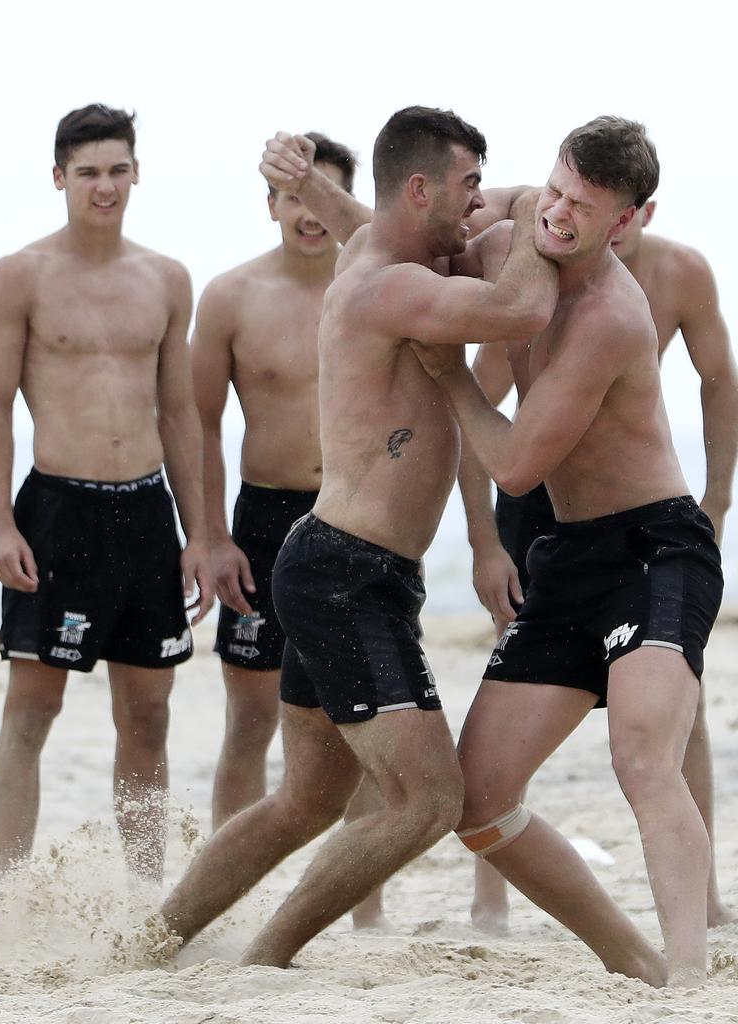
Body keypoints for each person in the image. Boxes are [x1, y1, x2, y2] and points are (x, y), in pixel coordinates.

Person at [155, 106, 582, 971]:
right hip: (348, 574)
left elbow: (384, 220)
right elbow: (524, 308)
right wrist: (544, 203)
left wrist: (506, 202)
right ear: (419, 189)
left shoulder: (380, 254)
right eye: (466, 188)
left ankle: (157, 935)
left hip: (341, 564)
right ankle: (267, 958)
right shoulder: (391, 284)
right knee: (428, 801)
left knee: (308, 799)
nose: (477, 206)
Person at [412, 116, 723, 987]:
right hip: (570, 558)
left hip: (657, 549)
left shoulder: (612, 317)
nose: (556, 215)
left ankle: (693, 983)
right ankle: (629, 956)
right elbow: (406, 237)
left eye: (582, 208)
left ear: (629, 219)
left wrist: (449, 374)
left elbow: (513, 465)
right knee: (477, 799)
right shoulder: (516, 235)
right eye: (553, 190)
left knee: (642, 757)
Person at [461, 197, 738, 934]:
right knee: (487, 761)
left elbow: (718, 379)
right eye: (565, 195)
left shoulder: (674, 275)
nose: (575, 215)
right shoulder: (531, 259)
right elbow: (478, 405)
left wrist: (717, 495)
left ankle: (699, 918)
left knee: (665, 727)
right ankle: (489, 904)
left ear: (637, 210)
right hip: (544, 512)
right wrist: (483, 541)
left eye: (601, 207)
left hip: (646, 522)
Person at [0, 104, 213, 882]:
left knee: (146, 713)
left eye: (117, 170)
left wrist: (200, 533)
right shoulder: (21, 275)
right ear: (58, 179)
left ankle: (144, 891)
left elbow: (179, 412)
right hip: (58, 510)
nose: (104, 186)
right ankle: (11, 889)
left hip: (144, 512)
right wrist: (2, 525)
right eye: (87, 173)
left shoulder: (167, 278)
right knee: (32, 708)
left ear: (136, 172)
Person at [191, 132, 388, 929]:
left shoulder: (380, 287)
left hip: (356, 516)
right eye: (294, 195)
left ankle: (365, 904)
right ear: (271, 203)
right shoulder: (231, 296)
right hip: (264, 521)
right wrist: (209, 536)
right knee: (249, 718)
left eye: (324, 194)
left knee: (369, 725)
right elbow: (199, 422)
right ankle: (226, 896)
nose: (310, 212)